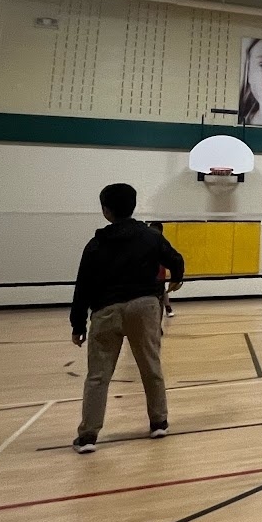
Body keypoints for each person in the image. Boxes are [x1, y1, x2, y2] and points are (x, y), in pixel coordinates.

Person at [70, 184, 185, 454]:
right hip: (144, 308)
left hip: (105, 310)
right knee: (151, 366)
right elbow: (175, 259)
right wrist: (178, 278)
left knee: (98, 376)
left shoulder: (95, 244)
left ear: (106, 211)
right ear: (133, 206)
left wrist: (77, 324)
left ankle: (88, 435)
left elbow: (82, 287)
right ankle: (159, 422)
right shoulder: (150, 237)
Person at [148, 221, 180, 318]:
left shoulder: (162, 243)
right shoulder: (146, 241)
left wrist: (176, 278)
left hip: (158, 270)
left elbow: (175, 260)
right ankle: (165, 310)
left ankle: (167, 309)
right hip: (148, 272)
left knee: (162, 291)